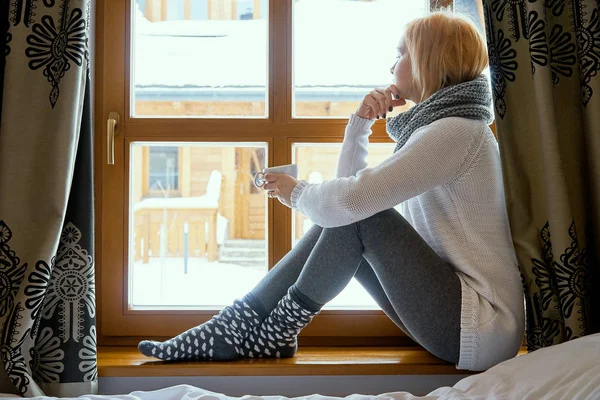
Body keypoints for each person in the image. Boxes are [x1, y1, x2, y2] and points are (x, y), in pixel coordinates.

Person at [138, 11, 525, 372]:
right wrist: (359, 126)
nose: (392, 65)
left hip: (481, 324)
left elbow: (351, 205)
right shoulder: (441, 128)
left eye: (401, 53)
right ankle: (244, 324)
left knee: (361, 216)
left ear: (429, 61)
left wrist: (296, 193)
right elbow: (346, 211)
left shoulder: (455, 132)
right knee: (356, 218)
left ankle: (254, 327)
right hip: (459, 317)